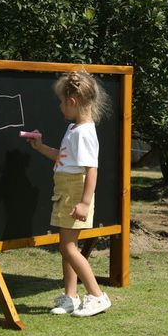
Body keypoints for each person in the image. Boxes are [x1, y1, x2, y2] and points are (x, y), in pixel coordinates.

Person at [27, 70, 112, 317]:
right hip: (65, 192)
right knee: (68, 246)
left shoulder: (84, 133)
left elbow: (91, 169)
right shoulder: (74, 129)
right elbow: (63, 158)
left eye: (62, 102)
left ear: (72, 102)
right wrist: (41, 147)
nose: (60, 107)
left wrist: (85, 202)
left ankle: (97, 296)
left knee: (68, 248)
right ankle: (71, 296)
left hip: (74, 192)